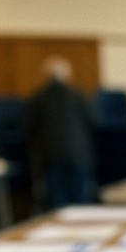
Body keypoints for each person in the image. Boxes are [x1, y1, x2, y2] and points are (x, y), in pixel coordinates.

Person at [25, 56, 97, 209]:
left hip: (51, 156)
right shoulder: (77, 96)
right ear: (67, 75)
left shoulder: (38, 98)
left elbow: (29, 128)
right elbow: (93, 122)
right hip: (79, 155)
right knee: (82, 202)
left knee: (58, 206)